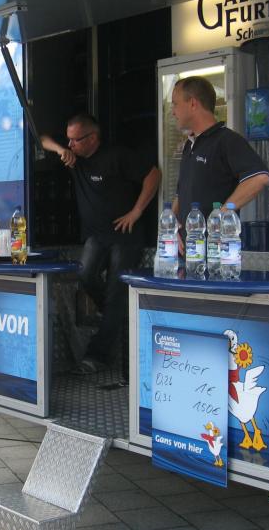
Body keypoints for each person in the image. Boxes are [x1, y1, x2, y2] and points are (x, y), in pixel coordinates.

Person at [41, 114, 161, 375]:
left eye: (75, 140)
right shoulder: (73, 157)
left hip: (125, 235)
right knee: (85, 275)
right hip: (96, 236)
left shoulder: (117, 156)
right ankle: (113, 316)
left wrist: (136, 211)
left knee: (117, 290)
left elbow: (153, 175)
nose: (70, 145)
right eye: (68, 140)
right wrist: (61, 150)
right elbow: (42, 139)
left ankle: (97, 356)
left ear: (92, 138)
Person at [171, 76, 269, 243]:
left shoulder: (226, 140)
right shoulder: (189, 145)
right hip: (187, 249)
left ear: (193, 103)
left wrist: (221, 215)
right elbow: (181, 192)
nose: (173, 112)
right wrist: (173, 226)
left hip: (217, 249)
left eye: (175, 104)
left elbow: (259, 178)